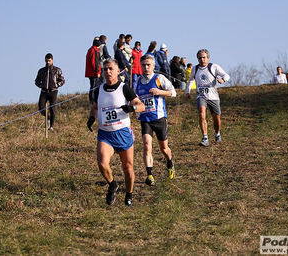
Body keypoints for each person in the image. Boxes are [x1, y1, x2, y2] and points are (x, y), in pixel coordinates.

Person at [87, 58, 145, 207]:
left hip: (122, 133)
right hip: (105, 134)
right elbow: (95, 106)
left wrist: (132, 108)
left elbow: (141, 105)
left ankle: (129, 195)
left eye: (111, 69)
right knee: (102, 164)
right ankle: (112, 185)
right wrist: (92, 117)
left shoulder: (124, 88)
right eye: (105, 69)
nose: (108, 72)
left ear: (118, 71)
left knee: (128, 169)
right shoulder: (99, 90)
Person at [136, 54, 177, 186]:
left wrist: (159, 92)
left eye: (149, 65)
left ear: (154, 66)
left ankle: (170, 163)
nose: (146, 67)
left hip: (159, 118)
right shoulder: (138, 81)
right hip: (145, 119)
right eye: (144, 65)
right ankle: (150, 175)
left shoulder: (159, 78)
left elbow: (173, 92)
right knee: (147, 146)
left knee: (164, 149)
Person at [186, 49, 230, 146]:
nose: (202, 60)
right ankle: (205, 137)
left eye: (204, 58)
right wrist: (188, 91)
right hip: (201, 95)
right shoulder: (195, 68)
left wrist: (223, 80)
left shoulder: (213, 67)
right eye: (200, 58)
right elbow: (191, 79)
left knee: (216, 120)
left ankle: (217, 133)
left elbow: (226, 75)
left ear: (208, 58)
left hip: (213, 96)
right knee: (202, 114)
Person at [35, 53, 65, 131]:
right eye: (46, 61)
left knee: (52, 108)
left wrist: (56, 85)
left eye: (49, 61)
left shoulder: (57, 70)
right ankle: (48, 118)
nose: (48, 62)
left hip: (53, 91)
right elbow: (36, 80)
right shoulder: (41, 71)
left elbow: (62, 80)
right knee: (41, 107)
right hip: (44, 91)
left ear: (52, 60)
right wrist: (40, 85)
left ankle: (51, 126)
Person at [85, 39, 102, 104]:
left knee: (93, 86)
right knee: (94, 87)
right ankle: (93, 101)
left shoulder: (90, 50)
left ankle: (93, 100)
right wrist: (97, 72)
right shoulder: (94, 51)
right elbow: (95, 62)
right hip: (93, 73)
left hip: (90, 72)